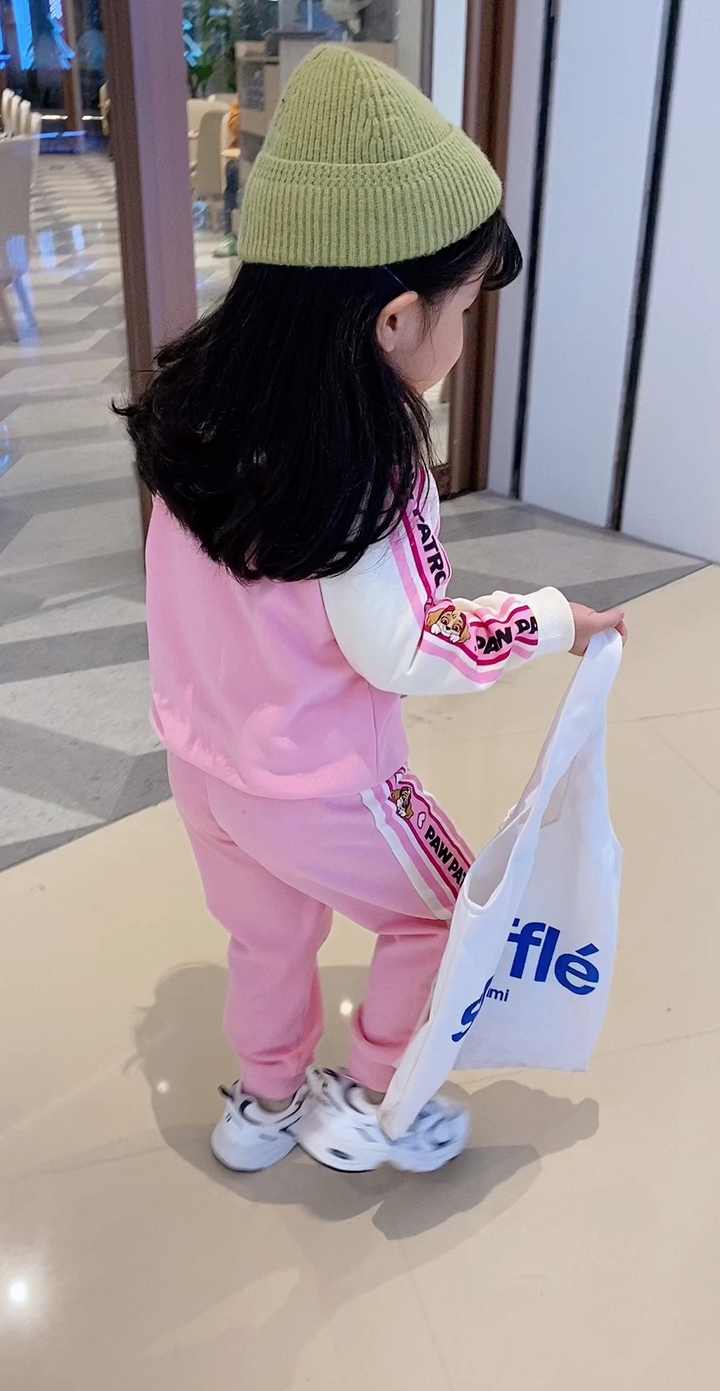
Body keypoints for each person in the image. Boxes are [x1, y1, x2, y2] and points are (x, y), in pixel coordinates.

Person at [117, 47, 626, 1175]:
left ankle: (262, 1105)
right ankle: (372, 1102)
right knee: (450, 913)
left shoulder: (196, 412)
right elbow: (409, 645)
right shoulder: (366, 463)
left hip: (207, 770)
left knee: (267, 935)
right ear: (394, 319)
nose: (464, 336)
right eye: (464, 309)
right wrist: (551, 621)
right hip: (326, 781)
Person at [213, 95, 240, 258]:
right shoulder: (244, 97)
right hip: (245, 152)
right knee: (234, 171)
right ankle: (231, 235)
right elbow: (234, 124)